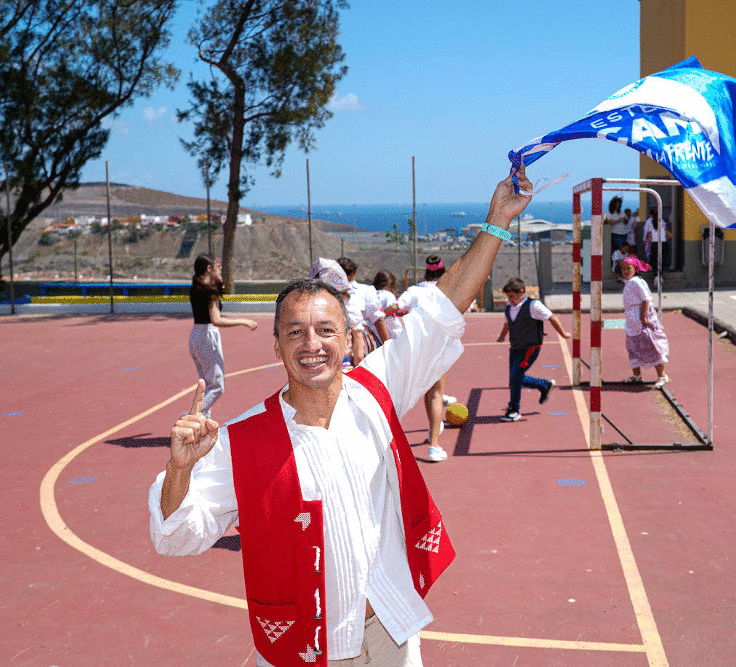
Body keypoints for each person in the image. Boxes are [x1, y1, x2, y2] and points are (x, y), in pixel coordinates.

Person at [149, 166, 534, 667]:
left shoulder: (377, 390)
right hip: (305, 648)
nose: (312, 344)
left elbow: (443, 308)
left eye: (326, 330)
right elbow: (177, 538)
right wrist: (179, 470)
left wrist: (496, 222)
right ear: (277, 345)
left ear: (347, 336)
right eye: (295, 333)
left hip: (390, 631)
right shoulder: (242, 440)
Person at [397, 255, 453, 462]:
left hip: (416, 348)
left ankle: (390, 443)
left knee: (413, 394)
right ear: (443, 271)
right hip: (439, 347)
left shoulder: (414, 291)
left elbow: (397, 306)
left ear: (425, 272)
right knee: (436, 394)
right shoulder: (446, 291)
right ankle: (433, 446)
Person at [187, 253, 258, 417]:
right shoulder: (208, 292)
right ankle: (193, 415)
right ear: (209, 269)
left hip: (196, 335)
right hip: (207, 335)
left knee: (206, 384)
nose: (220, 270)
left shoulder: (196, 288)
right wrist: (243, 321)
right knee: (217, 385)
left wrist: (217, 280)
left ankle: (203, 420)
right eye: (217, 268)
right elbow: (216, 320)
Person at [496, 277, 570, 422]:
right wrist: (502, 336)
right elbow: (507, 323)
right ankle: (544, 384)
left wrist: (563, 333)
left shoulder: (533, 305)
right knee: (515, 378)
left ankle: (514, 409)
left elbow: (552, 317)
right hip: (515, 347)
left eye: (511, 296)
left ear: (521, 292)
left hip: (530, 348)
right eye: (508, 296)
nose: (509, 299)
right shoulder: (509, 306)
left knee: (515, 378)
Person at [620, 255, 670, 387]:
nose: (625, 271)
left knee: (651, 346)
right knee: (633, 347)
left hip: (640, 319)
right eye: (623, 268)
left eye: (628, 268)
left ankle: (662, 375)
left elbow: (646, 299)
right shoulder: (629, 282)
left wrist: (643, 317)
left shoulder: (636, 281)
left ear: (635, 269)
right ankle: (637, 375)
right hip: (632, 320)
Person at [338, 256, 390, 348]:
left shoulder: (328, 291)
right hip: (359, 339)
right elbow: (378, 320)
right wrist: (388, 345)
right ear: (353, 273)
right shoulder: (365, 291)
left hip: (337, 337)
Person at [373, 269, 404, 340]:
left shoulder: (372, 294)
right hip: (391, 335)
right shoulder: (388, 295)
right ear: (389, 284)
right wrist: (380, 317)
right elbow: (392, 307)